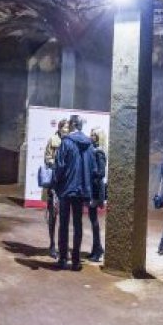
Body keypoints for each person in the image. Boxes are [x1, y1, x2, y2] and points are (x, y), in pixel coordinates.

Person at [53, 115, 94, 270]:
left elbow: (60, 166)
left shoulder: (66, 142)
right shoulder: (89, 144)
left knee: (63, 224)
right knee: (78, 224)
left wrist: (55, 184)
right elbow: (93, 168)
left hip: (66, 189)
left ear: (72, 125)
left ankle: (63, 258)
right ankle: (76, 261)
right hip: (82, 190)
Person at [43, 119, 70, 259]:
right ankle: (52, 244)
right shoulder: (52, 140)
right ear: (59, 128)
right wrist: (57, 164)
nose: (66, 130)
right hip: (54, 183)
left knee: (65, 217)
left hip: (66, 184)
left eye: (68, 128)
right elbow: (47, 158)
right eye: (64, 127)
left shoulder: (70, 142)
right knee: (53, 216)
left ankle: (63, 246)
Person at [87, 128, 108, 262]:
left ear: (99, 137)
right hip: (93, 188)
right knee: (92, 219)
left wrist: (90, 172)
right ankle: (96, 248)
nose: (91, 136)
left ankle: (98, 249)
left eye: (94, 135)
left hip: (95, 189)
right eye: (91, 134)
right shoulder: (94, 150)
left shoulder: (99, 152)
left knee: (94, 221)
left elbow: (101, 172)